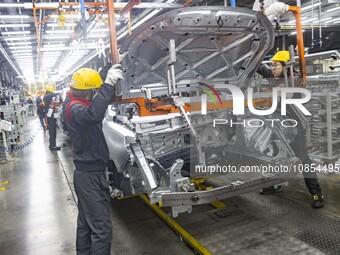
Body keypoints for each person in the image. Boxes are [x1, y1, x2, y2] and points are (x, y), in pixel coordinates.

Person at [61, 64, 122, 254]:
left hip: (88, 174)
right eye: (94, 91)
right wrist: (109, 85)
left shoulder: (74, 102)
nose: (95, 94)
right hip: (89, 178)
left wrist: (106, 71)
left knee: (86, 224)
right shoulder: (75, 109)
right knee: (102, 229)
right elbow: (94, 114)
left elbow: (93, 100)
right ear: (88, 92)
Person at [257, 50, 324, 208]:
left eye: (276, 65)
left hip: (294, 128)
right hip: (277, 125)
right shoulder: (276, 77)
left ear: (285, 66)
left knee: (303, 159)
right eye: (272, 65)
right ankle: (275, 184)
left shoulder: (295, 81)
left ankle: (316, 193)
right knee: (276, 157)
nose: (272, 68)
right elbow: (260, 68)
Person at [43, 85, 60, 151]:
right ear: (48, 92)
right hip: (50, 116)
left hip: (51, 115)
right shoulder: (46, 97)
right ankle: (52, 146)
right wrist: (57, 93)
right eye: (51, 92)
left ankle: (53, 144)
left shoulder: (48, 98)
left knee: (53, 131)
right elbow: (51, 95)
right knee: (52, 131)